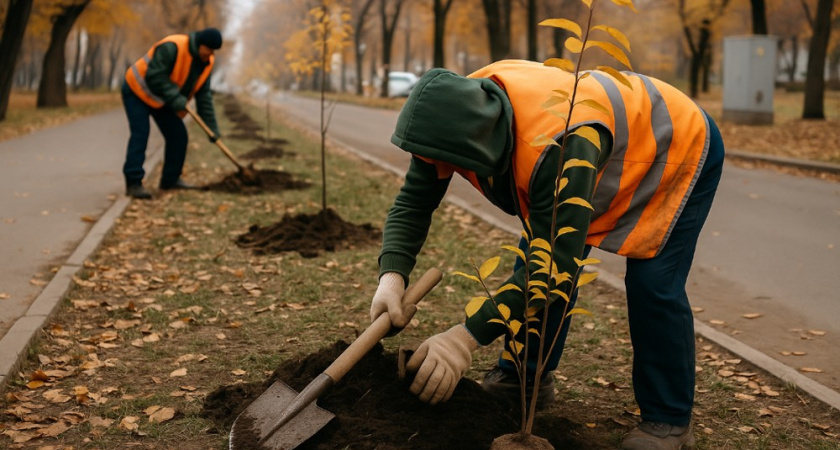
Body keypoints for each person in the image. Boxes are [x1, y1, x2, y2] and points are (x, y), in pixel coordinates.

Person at [369, 59, 724, 450]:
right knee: (535, 260)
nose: (437, 167)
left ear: (474, 147)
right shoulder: (449, 110)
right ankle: (523, 378)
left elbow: (551, 272)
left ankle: (669, 419)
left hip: (676, 145)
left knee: (651, 284)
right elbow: (414, 202)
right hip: (605, 156)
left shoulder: (557, 146)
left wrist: (463, 339)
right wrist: (392, 276)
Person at [121, 27, 223, 199]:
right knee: (141, 134)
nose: (211, 54)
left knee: (178, 135)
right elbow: (154, 76)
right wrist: (175, 98)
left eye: (214, 51)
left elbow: (203, 96)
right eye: (209, 49)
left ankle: (170, 180)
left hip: (161, 98)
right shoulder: (173, 46)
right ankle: (134, 182)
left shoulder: (206, 63)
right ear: (200, 44)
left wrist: (211, 128)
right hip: (137, 90)